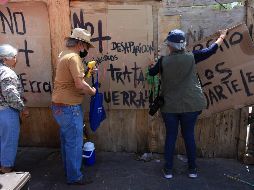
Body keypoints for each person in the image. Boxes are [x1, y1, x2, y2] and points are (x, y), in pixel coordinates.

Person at [149, 29, 227, 179]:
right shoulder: (192, 57)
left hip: (169, 107)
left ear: (170, 46)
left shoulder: (163, 61)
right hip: (191, 106)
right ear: (183, 45)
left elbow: (152, 72)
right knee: (189, 136)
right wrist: (222, 36)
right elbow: (211, 50)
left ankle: (168, 171)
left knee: (171, 136)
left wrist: (152, 65)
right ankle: (192, 170)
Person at [51, 28, 96, 185]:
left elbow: (72, 79)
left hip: (59, 106)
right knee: (75, 143)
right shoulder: (74, 57)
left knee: (67, 142)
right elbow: (78, 84)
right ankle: (75, 177)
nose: (85, 50)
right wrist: (91, 91)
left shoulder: (63, 54)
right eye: (85, 46)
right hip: (69, 108)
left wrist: (86, 74)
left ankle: (69, 171)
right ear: (79, 43)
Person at [0, 44, 29, 173]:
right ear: (5, 59)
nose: (16, 60)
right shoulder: (7, 72)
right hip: (7, 111)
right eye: (14, 57)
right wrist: (23, 108)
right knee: (9, 140)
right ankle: (6, 169)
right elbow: (9, 94)